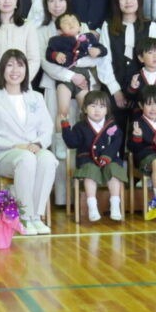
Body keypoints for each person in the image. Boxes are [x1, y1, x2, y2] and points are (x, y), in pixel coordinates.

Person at [0, 49, 58, 235]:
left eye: (20, 65)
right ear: (2, 70)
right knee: (26, 159)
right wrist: (14, 145)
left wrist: (38, 144)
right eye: (10, 65)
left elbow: (47, 128)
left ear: (26, 70)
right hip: (4, 154)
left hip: (33, 149)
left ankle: (36, 216)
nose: (15, 70)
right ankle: (24, 217)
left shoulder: (36, 97)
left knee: (48, 158)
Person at [61, 89, 127, 221]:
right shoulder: (80, 126)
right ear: (85, 109)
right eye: (93, 106)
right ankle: (92, 206)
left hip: (109, 159)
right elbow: (72, 143)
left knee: (114, 171)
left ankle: (115, 204)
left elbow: (117, 143)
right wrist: (65, 126)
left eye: (102, 107)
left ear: (107, 110)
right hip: (87, 159)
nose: (97, 110)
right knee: (89, 172)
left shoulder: (112, 125)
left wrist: (107, 156)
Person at [46, 12, 107, 124]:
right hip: (64, 76)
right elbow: (48, 54)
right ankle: (60, 135)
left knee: (86, 110)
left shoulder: (89, 37)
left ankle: (86, 133)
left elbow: (103, 50)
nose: (70, 23)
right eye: (66, 22)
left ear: (80, 27)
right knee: (63, 111)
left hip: (83, 75)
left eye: (73, 21)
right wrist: (56, 55)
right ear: (59, 30)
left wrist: (98, 51)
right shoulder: (56, 40)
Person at [105, 0, 156, 106]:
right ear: (117, 2)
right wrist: (115, 90)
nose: (128, 1)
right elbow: (104, 60)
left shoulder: (150, 26)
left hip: (144, 89)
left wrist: (150, 89)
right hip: (114, 87)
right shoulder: (107, 26)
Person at [123, 37, 156, 114]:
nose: (155, 56)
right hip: (140, 117)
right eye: (150, 53)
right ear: (141, 58)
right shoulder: (136, 78)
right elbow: (129, 98)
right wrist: (133, 87)